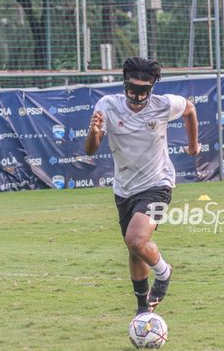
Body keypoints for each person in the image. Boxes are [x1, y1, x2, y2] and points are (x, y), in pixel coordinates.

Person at [84, 57, 200, 314]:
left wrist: (193, 146)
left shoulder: (164, 105)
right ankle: (142, 310)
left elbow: (190, 109)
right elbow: (90, 149)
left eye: (143, 90)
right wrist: (93, 133)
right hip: (124, 189)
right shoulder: (107, 106)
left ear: (152, 87)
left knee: (136, 239)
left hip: (159, 184)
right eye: (132, 88)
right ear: (124, 84)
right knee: (134, 249)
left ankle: (164, 272)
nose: (136, 96)